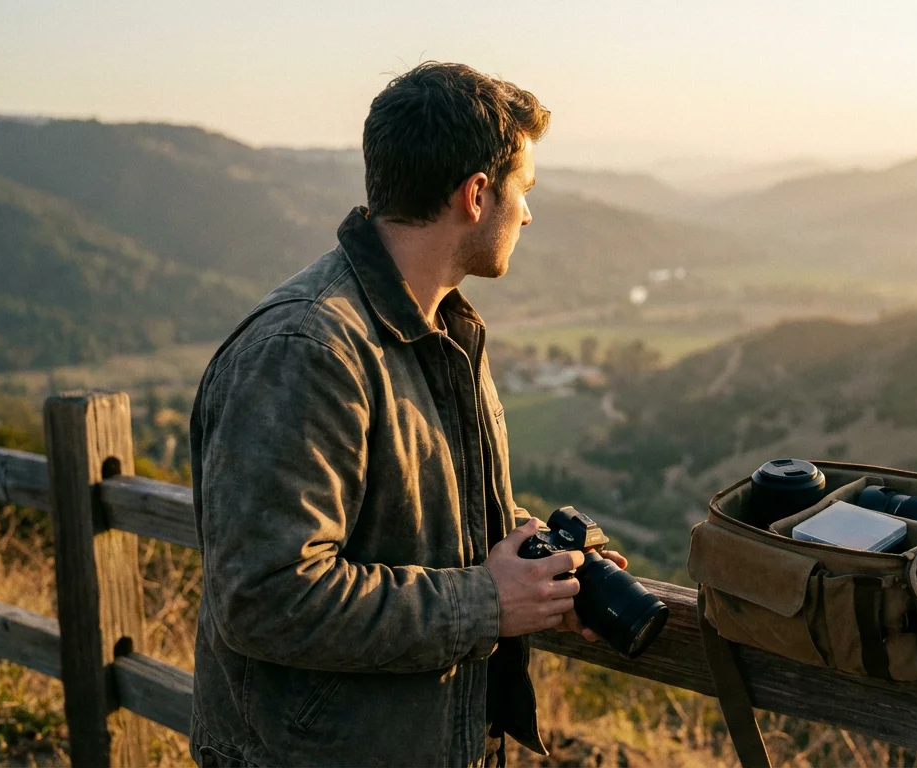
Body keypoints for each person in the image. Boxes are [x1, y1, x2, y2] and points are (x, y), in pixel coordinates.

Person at [187, 61, 624, 767]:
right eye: (526, 190)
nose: (530, 213)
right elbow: (264, 597)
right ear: (477, 194)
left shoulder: (443, 332)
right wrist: (487, 602)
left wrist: (540, 567)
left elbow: (412, 521)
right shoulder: (309, 350)